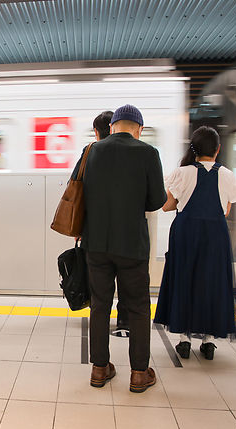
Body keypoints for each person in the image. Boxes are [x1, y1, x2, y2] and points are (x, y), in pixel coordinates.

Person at [74, 104, 166, 393]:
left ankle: (99, 368)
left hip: (96, 244)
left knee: (100, 305)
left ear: (112, 126)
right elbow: (156, 201)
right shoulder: (148, 153)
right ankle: (139, 373)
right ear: (138, 128)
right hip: (132, 245)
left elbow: (76, 189)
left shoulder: (92, 150)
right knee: (138, 307)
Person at [154, 126, 236, 360]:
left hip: (186, 232)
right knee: (212, 281)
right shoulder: (227, 175)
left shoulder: (181, 173)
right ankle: (208, 341)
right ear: (218, 149)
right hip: (215, 234)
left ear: (193, 149)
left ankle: (183, 339)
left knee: (185, 278)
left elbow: (166, 206)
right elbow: (226, 209)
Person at [88, 110, 129, 331]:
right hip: (127, 232)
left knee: (100, 292)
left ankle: (100, 363)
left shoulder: (89, 152)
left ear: (96, 132)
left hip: (97, 234)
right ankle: (123, 320)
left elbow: (77, 189)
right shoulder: (133, 153)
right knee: (126, 281)